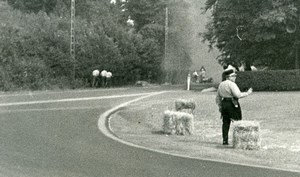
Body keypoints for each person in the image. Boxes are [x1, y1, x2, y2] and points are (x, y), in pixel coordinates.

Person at [215, 69, 253, 145]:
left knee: (225, 123)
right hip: (232, 103)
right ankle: (238, 140)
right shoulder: (232, 84)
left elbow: (218, 97)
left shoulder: (221, 84)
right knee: (237, 121)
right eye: (233, 76)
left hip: (224, 103)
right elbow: (237, 95)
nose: (235, 77)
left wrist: (220, 106)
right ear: (228, 77)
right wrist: (247, 93)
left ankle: (225, 140)